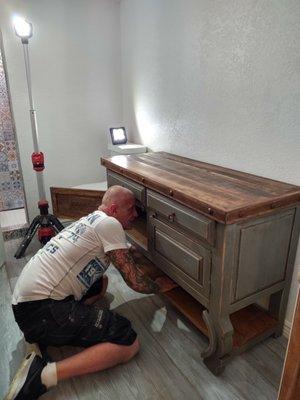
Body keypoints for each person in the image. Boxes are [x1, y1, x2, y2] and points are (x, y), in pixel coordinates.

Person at [6, 185, 177, 400]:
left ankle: (53, 331)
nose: (135, 215)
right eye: (131, 209)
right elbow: (136, 283)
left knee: (101, 282)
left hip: (24, 303)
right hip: (41, 310)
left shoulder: (92, 219)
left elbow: (123, 255)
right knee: (128, 341)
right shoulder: (111, 224)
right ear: (114, 209)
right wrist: (162, 285)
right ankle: (42, 376)